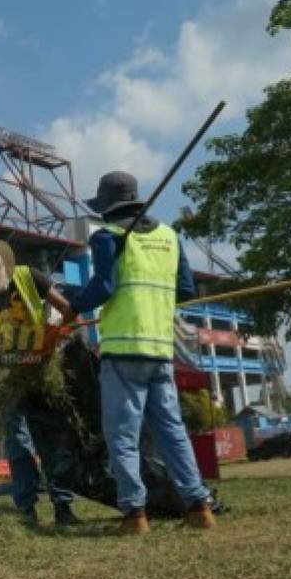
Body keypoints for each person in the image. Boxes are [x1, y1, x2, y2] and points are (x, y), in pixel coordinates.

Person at [69, 171, 216, 533]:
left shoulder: (109, 237)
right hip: (160, 349)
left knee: (122, 435)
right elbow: (185, 290)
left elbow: (103, 286)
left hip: (122, 350)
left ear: (107, 206)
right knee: (171, 430)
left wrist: (71, 308)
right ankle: (198, 506)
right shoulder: (169, 237)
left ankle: (135, 514)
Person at [0, 239, 80, 526]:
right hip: (7, 380)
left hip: (42, 368)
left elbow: (67, 309)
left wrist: (57, 335)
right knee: (18, 443)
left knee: (52, 436)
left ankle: (63, 506)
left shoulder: (28, 277)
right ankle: (27, 510)